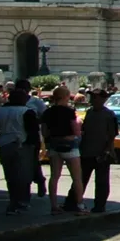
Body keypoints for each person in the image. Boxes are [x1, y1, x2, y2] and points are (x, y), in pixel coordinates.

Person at [0, 83, 40, 213]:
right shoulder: (27, 112)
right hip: (23, 146)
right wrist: (35, 149)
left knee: (10, 176)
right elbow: (34, 133)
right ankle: (21, 202)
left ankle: (13, 201)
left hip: (5, 146)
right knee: (23, 176)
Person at [42, 84, 85, 214]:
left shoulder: (48, 112)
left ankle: (54, 206)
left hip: (54, 145)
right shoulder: (69, 111)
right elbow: (76, 130)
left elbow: (44, 131)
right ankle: (80, 206)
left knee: (54, 176)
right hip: (70, 145)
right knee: (77, 177)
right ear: (65, 97)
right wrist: (77, 136)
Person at [77, 87, 118, 214]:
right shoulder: (89, 112)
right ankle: (73, 202)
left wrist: (106, 151)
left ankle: (100, 206)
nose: (93, 99)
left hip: (102, 153)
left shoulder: (109, 115)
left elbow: (112, 135)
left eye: (96, 97)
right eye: (92, 97)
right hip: (86, 152)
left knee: (101, 181)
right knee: (81, 179)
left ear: (103, 99)